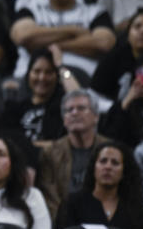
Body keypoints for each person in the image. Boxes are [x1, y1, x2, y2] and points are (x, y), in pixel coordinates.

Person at [56, 142, 143, 229]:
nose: (108, 167)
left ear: (124, 172)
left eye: (115, 163)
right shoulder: (73, 203)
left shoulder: (137, 210)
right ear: (94, 167)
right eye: (103, 161)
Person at [37, 89, 112, 219]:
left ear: (96, 117)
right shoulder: (50, 153)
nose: (74, 113)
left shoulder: (111, 150)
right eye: (69, 110)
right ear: (64, 120)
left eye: (81, 108)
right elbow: (50, 198)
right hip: (63, 224)